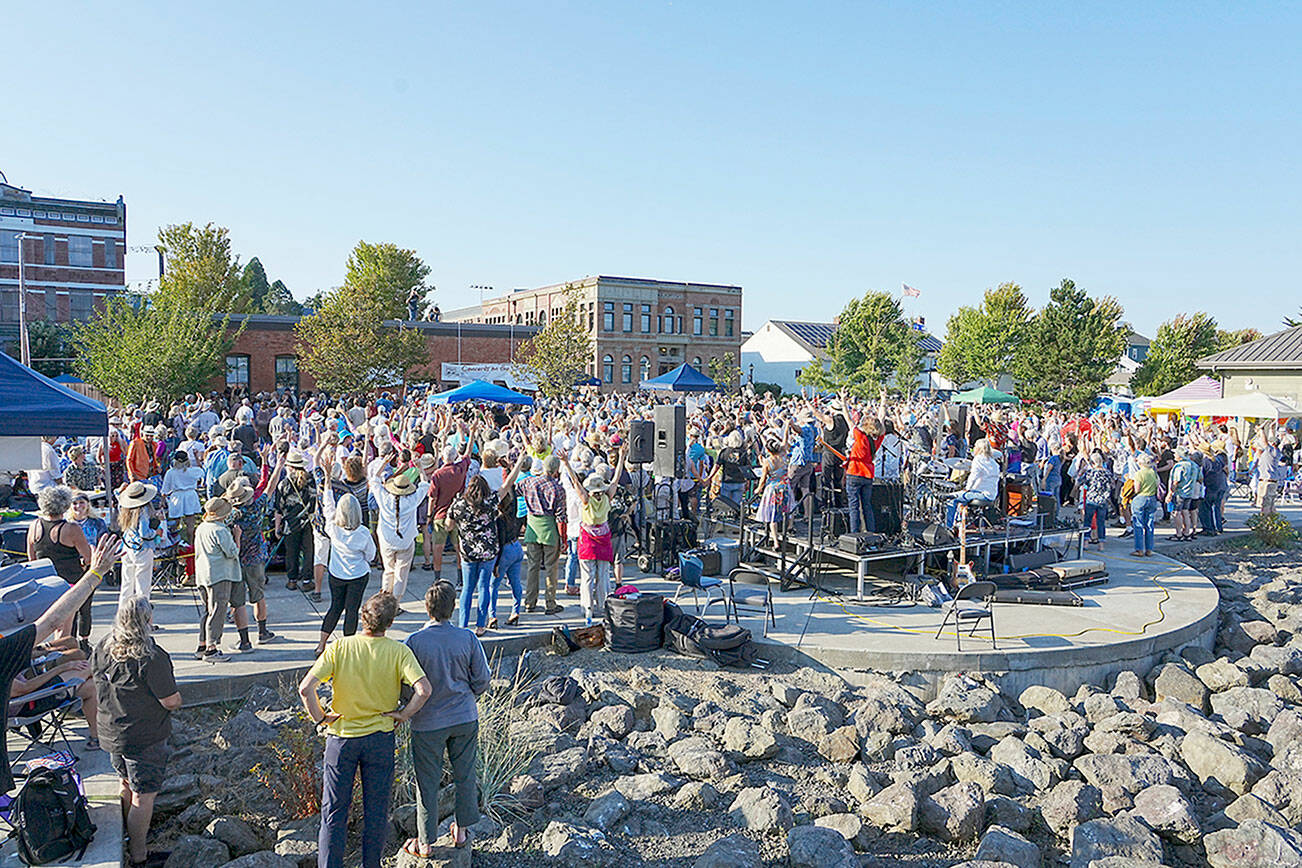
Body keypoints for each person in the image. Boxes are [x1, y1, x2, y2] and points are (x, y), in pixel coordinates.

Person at [299, 593, 432, 868]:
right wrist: (405, 714)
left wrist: (321, 718)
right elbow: (424, 690)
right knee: (376, 813)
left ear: (362, 618)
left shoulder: (339, 647)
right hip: (379, 738)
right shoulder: (398, 651)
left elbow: (305, 688)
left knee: (333, 813)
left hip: (341, 738)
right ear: (391, 622)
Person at [92, 596, 182, 868]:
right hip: (143, 737)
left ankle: (127, 838)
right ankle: (140, 855)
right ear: (147, 620)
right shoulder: (151, 656)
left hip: (111, 732)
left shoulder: (103, 647)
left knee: (126, 784)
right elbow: (170, 700)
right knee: (144, 797)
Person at [403, 581, 490, 856]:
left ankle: (426, 841)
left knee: (426, 781)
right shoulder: (468, 638)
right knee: (465, 774)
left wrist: (408, 707)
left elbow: (406, 687)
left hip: (427, 722)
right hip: (464, 716)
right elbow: (483, 679)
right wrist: (468, 696)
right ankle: (461, 831)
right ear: (452, 608)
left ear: (427, 609)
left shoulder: (414, 642)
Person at [447, 456, 526, 634]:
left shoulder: (459, 505)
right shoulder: (490, 502)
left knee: (467, 589)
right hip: (488, 551)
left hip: (467, 552)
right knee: (484, 587)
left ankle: (463, 624)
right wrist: (519, 462)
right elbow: (507, 486)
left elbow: (448, 525)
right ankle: (481, 625)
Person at [560, 444, 628, 626]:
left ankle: (588, 609)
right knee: (604, 574)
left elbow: (575, 483)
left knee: (587, 576)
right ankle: (604, 606)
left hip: (588, 538)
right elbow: (615, 479)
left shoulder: (586, 499)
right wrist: (621, 457)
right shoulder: (607, 497)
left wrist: (566, 464)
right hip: (604, 536)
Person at [26, 486, 93, 642]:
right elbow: (88, 557)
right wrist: (84, 563)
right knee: (73, 620)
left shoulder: (34, 526)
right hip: (70, 582)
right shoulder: (71, 528)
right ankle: (75, 649)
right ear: (65, 504)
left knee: (51, 623)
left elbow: (32, 559)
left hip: (46, 584)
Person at [315, 489, 377, 656]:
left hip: (337, 574)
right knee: (352, 610)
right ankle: (348, 647)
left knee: (335, 607)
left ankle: (321, 644)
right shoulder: (363, 533)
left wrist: (327, 482)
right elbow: (371, 556)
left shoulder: (333, 529)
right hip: (358, 575)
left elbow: (328, 507)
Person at [518, 456, 567, 615]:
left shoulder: (529, 482)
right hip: (550, 530)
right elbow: (561, 517)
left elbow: (514, 489)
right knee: (551, 568)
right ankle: (550, 603)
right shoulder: (558, 488)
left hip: (532, 528)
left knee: (532, 567)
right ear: (556, 470)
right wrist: (563, 539)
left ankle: (529, 602)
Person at [194, 498, 240, 660]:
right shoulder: (220, 530)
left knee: (207, 611)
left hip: (202, 574)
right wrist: (237, 537)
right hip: (219, 574)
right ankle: (211, 648)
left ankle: (202, 643)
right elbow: (232, 552)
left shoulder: (201, 528)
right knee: (218, 610)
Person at [274, 451, 317, 596]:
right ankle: (307, 580)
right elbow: (315, 501)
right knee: (308, 551)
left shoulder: (284, 484)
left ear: (290, 467)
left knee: (291, 553)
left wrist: (277, 528)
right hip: (308, 521)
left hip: (290, 523)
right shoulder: (310, 480)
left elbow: (279, 508)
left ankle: (292, 580)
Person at [117, 481, 160, 609]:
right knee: (143, 587)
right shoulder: (143, 510)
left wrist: (120, 490)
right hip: (143, 549)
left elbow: (117, 495)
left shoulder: (124, 509)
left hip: (127, 547)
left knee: (127, 585)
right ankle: (144, 618)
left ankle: (122, 616)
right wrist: (156, 532)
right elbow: (145, 533)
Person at [755, 437, 793, 549]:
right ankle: (790, 526)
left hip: (773, 489)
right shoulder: (784, 458)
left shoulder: (768, 462)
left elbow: (763, 479)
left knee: (773, 515)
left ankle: (776, 542)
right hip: (785, 486)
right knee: (788, 509)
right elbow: (785, 442)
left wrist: (758, 489)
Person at [161, 452, 203, 545]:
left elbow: (165, 488)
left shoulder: (171, 472)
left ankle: (174, 541)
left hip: (177, 496)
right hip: (190, 495)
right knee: (190, 521)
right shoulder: (193, 471)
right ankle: (191, 542)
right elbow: (201, 470)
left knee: (174, 522)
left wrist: (162, 500)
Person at [1077, 450, 1115, 548]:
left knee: (1087, 521)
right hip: (1103, 500)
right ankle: (1101, 544)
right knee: (1101, 522)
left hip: (1091, 499)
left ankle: (1085, 543)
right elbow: (1112, 485)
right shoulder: (1107, 473)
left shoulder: (1090, 473)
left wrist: (1082, 474)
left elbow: (1080, 481)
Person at [1167, 447, 1203, 542]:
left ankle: (1179, 533)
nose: (1174, 455)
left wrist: (1170, 493)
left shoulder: (1180, 466)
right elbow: (1200, 478)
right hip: (1190, 492)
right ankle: (1187, 532)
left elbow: (1176, 481)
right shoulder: (1194, 465)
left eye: (1176, 454)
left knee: (1177, 512)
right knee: (1186, 511)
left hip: (1180, 492)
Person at [1129, 452, 1160, 557]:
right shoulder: (1153, 472)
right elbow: (1157, 484)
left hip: (1141, 497)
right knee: (1149, 524)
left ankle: (1139, 549)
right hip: (1152, 497)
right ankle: (1149, 549)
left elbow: (1137, 489)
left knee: (1138, 524)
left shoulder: (1139, 474)